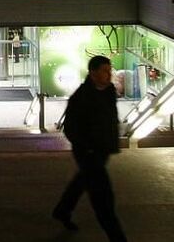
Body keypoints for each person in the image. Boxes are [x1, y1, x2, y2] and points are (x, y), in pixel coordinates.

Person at [52, 55, 127, 241]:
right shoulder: (81, 97)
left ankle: (62, 210)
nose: (109, 74)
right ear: (93, 73)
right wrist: (87, 149)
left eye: (110, 70)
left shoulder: (109, 90)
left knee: (82, 181)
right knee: (103, 197)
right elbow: (70, 128)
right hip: (88, 153)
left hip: (102, 149)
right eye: (105, 71)